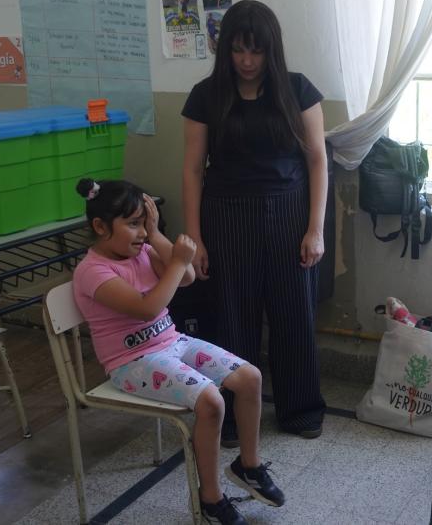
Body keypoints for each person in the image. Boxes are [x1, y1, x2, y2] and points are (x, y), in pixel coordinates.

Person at [71, 178, 286, 525]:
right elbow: (146, 307)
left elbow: (185, 277)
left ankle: (248, 466)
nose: (141, 233)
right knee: (211, 402)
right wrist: (175, 261)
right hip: (132, 363)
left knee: (250, 378)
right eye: (133, 224)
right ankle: (211, 499)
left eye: (145, 222)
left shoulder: (141, 249)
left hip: (171, 343)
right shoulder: (93, 272)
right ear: (99, 226)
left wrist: (157, 237)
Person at [181, 0, 328, 446]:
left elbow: (318, 161)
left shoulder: (298, 90)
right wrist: (195, 240)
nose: (247, 62)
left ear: (271, 51)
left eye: (256, 52)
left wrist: (315, 229)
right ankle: (230, 416)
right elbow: (192, 170)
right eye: (238, 51)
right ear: (225, 50)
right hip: (225, 216)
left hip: (287, 214)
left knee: (292, 316)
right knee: (230, 319)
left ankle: (300, 410)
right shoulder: (205, 96)